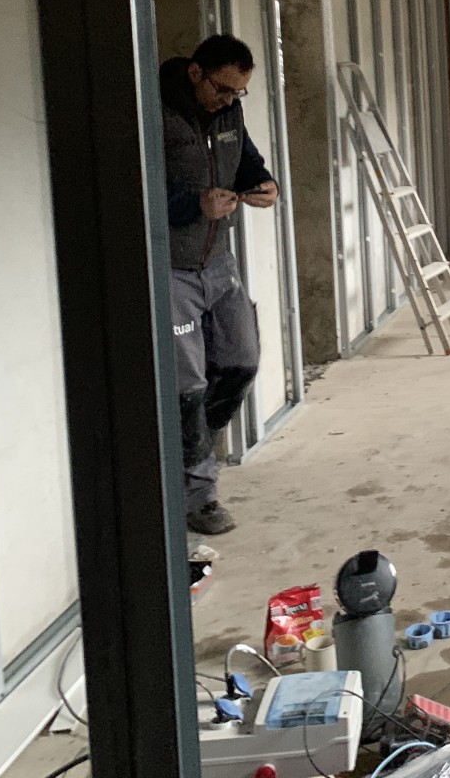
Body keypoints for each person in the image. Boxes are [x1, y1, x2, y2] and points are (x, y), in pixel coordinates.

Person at [161, 35, 279, 535]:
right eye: (223, 89)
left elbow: (246, 160)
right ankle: (199, 497)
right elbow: (135, 189)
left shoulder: (229, 113)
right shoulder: (155, 114)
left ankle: (189, 455)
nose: (229, 100)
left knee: (241, 361)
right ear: (195, 73)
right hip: (173, 268)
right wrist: (193, 206)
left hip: (217, 263)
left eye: (238, 93)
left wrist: (264, 184)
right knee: (187, 385)